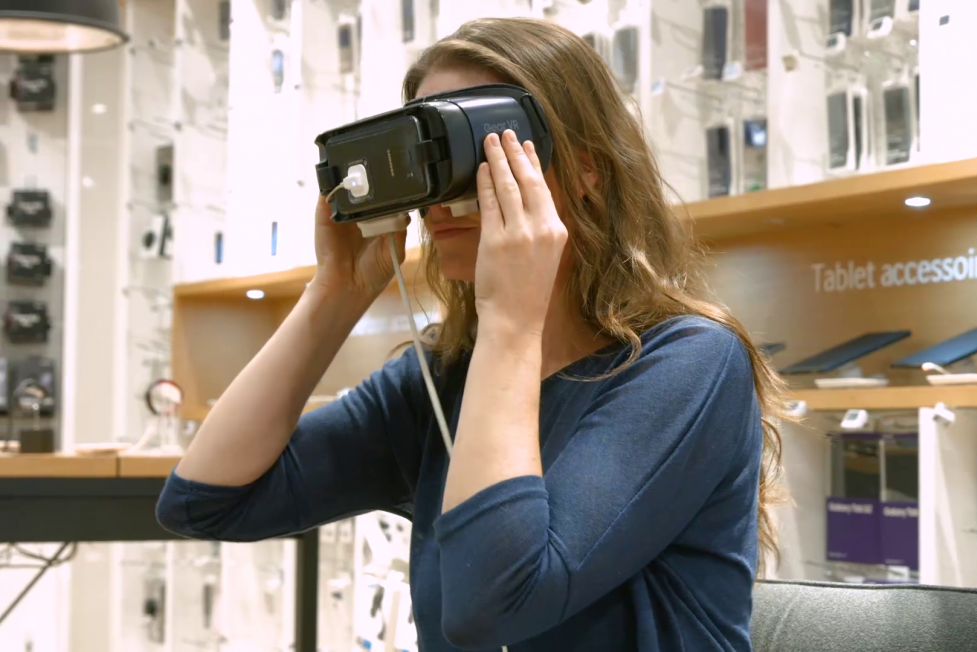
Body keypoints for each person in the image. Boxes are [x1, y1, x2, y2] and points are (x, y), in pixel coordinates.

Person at [157, 16, 790, 652]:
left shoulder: (689, 363)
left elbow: (494, 605)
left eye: (477, 155)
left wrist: (512, 322)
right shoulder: (446, 373)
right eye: (425, 158)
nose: (438, 201)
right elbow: (206, 501)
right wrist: (334, 294)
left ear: (585, 170)